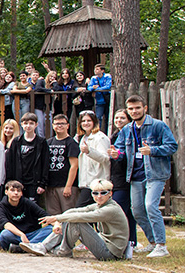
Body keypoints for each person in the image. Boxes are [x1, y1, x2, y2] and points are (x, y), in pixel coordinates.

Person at [109, 95, 178, 258]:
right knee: (138, 211)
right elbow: (120, 150)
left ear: (145, 108)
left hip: (155, 174)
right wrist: (117, 154)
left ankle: (161, 245)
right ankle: (153, 243)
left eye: (137, 108)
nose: (134, 111)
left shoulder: (158, 126)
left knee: (150, 206)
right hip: (135, 176)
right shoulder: (126, 130)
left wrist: (152, 150)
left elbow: (172, 146)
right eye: (131, 109)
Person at [22, 179, 130, 261]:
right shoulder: (99, 205)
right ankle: (44, 246)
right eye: (95, 193)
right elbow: (75, 211)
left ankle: (62, 250)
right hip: (104, 243)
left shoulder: (111, 209)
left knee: (77, 222)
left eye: (103, 193)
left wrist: (57, 218)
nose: (99, 196)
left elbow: (83, 217)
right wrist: (58, 221)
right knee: (70, 218)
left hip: (110, 253)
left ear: (110, 194)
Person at [107, 109, 138, 250]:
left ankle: (124, 241)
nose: (118, 120)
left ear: (129, 120)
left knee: (119, 210)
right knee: (128, 213)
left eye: (122, 118)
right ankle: (131, 241)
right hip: (115, 177)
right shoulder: (114, 136)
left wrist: (118, 155)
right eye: (116, 118)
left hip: (126, 178)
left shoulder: (132, 135)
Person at [0, 180, 52, 251]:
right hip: (16, 236)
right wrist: (21, 234)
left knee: (50, 229)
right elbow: (6, 225)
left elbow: (45, 215)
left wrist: (56, 224)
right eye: (12, 190)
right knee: (4, 234)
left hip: (32, 235)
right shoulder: (0, 207)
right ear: (6, 192)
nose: (16, 193)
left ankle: (23, 248)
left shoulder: (27, 202)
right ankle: (29, 247)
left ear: (21, 193)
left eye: (18, 191)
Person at [4, 113, 46, 204]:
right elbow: (10, 163)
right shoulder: (16, 141)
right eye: (26, 123)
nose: (28, 126)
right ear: (22, 124)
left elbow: (45, 163)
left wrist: (42, 184)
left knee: (32, 207)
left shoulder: (41, 142)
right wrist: (10, 181)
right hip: (18, 182)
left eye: (31, 123)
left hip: (34, 183)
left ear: (36, 125)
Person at [43, 115, 80, 215]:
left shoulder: (71, 143)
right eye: (57, 124)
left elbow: (74, 166)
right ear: (53, 126)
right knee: (53, 215)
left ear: (67, 126)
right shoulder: (48, 142)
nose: (59, 126)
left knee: (69, 215)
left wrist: (68, 186)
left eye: (62, 123)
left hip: (66, 186)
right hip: (51, 186)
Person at [74, 111, 111, 208]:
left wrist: (89, 151)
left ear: (94, 122)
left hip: (97, 182)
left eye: (89, 121)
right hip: (85, 183)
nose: (86, 123)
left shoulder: (100, 137)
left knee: (81, 209)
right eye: (83, 121)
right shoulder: (82, 138)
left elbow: (105, 158)